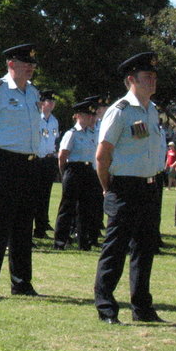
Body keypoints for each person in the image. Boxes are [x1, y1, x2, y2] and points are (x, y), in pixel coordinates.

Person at [94, 51, 167, 324]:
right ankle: (106, 307)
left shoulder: (152, 109)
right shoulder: (120, 111)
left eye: (154, 77)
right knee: (115, 249)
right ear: (131, 80)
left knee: (144, 249)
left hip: (150, 186)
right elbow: (102, 156)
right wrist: (108, 188)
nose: (152, 81)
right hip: (124, 187)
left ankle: (142, 308)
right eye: (147, 77)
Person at [0, 44, 42, 301]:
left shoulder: (33, 93)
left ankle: (22, 282)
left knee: (23, 225)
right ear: (11, 64)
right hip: (3, 162)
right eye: (26, 63)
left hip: (28, 163)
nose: (31, 67)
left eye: (32, 64)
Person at [52, 97, 101, 251]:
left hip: (89, 170)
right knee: (67, 207)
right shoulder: (72, 133)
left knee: (86, 208)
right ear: (78, 116)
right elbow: (62, 156)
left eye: (92, 116)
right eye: (88, 115)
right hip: (74, 170)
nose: (91, 119)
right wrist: (64, 173)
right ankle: (60, 241)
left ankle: (83, 241)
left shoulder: (92, 133)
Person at [33, 90, 60, 238]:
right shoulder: (37, 119)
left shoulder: (54, 121)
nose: (51, 104)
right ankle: (36, 226)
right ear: (42, 103)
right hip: (38, 159)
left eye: (53, 102)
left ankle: (42, 225)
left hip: (49, 159)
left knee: (46, 194)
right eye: (49, 101)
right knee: (35, 195)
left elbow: (54, 140)